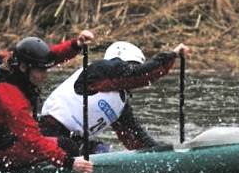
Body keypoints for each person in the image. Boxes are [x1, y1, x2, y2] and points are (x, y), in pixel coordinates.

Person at [0, 32, 95, 173]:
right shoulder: (8, 94)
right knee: (66, 146)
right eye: (41, 70)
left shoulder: (10, 61)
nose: (45, 75)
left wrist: (75, 45)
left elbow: (50, 56)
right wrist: (69, 162)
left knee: (53, 134)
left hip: (6, 138)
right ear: (24, 67)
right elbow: (32, 140)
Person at [40, 41, 190, 152]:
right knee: (71, 147)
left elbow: (136, 139)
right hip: (48, 134)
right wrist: (173, 55)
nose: (130, 70)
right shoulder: (98, 70)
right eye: (131, 65)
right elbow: (140, 74)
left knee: (104, 151)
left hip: (73, 142)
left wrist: (167, 152)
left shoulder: (121, 104)